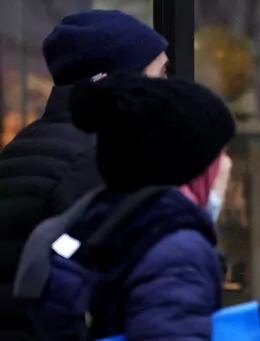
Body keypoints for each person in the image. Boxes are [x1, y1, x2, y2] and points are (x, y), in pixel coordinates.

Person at [16, 72, 235, 340]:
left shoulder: (85, 225)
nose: (228, 166)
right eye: (221, 154)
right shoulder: (176, 249)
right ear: (192, 165)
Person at [0, 9, 168, 290]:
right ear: (124, 81)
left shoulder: (26, 143)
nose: (168, 88)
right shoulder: (95, 158)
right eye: (159, 74)